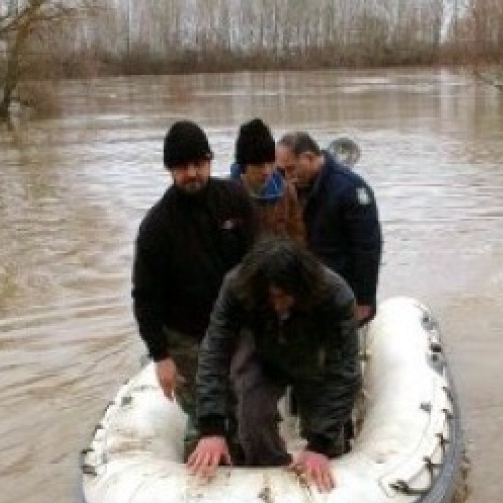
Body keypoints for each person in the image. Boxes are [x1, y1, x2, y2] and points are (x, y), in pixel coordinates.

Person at [188, 238, 361, 492]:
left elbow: (344, 371)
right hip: (263, 353)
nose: (278, 304)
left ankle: (325, 470)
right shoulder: (237, 287)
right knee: (252, 419)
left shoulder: (335, 295)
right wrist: (211, 426)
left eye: (284, 296)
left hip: (315, 358)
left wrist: (320, 444)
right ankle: (270, 475)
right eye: (271, 297)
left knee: (326, 434)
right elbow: (215, 350)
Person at [132, 120, 259, 455]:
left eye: (198, 164)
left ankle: (247, 453)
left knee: (245, 405)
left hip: (238, 325)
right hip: (186, 335)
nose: (191, 173)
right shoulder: (156, 226)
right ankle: (201, 458)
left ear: (209, 162)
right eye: (181, 167)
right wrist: (161, 356)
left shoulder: (235, 199)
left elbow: (259, 259)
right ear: (170, 170)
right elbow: (144, 296)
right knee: (206, 414)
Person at [277, 131, 383, 325]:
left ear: (308, 158)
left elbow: (367, 248)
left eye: (291, 169)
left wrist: (364, 299)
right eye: (282, 171)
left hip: (342, 292)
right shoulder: (292, 189)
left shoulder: (350, 189)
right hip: (306, 293)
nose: (288, 176)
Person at [230, 118, 305, 246]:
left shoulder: (286, 190)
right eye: (258, 165)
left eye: (270, 163)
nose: (266, 171)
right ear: (243, 165)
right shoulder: (227, 196)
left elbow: (298, 236)